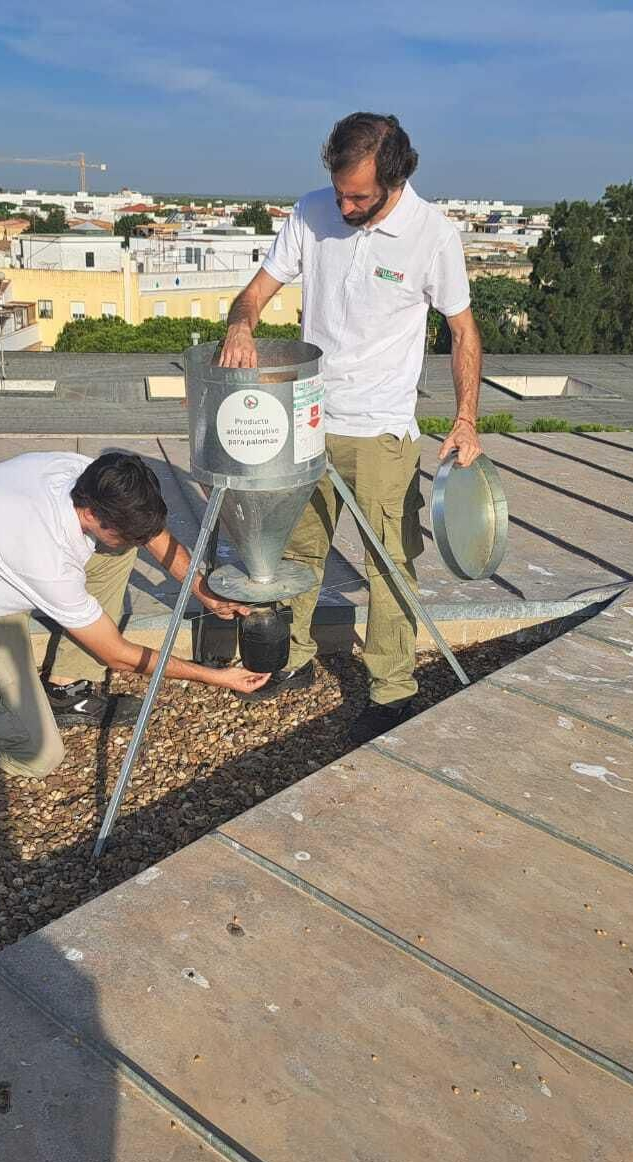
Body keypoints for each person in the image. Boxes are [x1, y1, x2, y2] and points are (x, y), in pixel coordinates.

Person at [218, 111, 484, 739]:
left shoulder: (432, 235)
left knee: (388, 561)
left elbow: (463, 330)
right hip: (308, 419)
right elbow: (255, 292)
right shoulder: (312, 211)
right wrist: (240, 325)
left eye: (358, 197)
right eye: (339, 192)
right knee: (297, 548)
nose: (344, 206)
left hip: (381, 429)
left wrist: (466, 420)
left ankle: (392, 691)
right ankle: (295, 660)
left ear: (396, 178)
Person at [0, 450, 268, 778]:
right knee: (36, 755)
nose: (138, 538)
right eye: (126, 531)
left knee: (118, 550)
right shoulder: (44, 556)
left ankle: (66, 686)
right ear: (92, 514)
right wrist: (216, 677)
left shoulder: (86, 475)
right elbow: (117, 655)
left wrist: (201, 589)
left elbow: (147, 530)